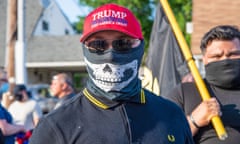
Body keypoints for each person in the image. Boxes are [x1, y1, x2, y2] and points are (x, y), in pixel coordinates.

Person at [29, 3, 194, 144]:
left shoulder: (172, 115)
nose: (110, 55)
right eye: (98, 44)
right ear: (85, 50)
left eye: (123, 43)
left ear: (141, 48)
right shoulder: (56, 126)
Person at [165, 25, 240, 144]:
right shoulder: (184, 93)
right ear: (204, 59)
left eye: (234, 54)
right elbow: (163, 139)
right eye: (216, 56)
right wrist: (194, 121)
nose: (225, 60)